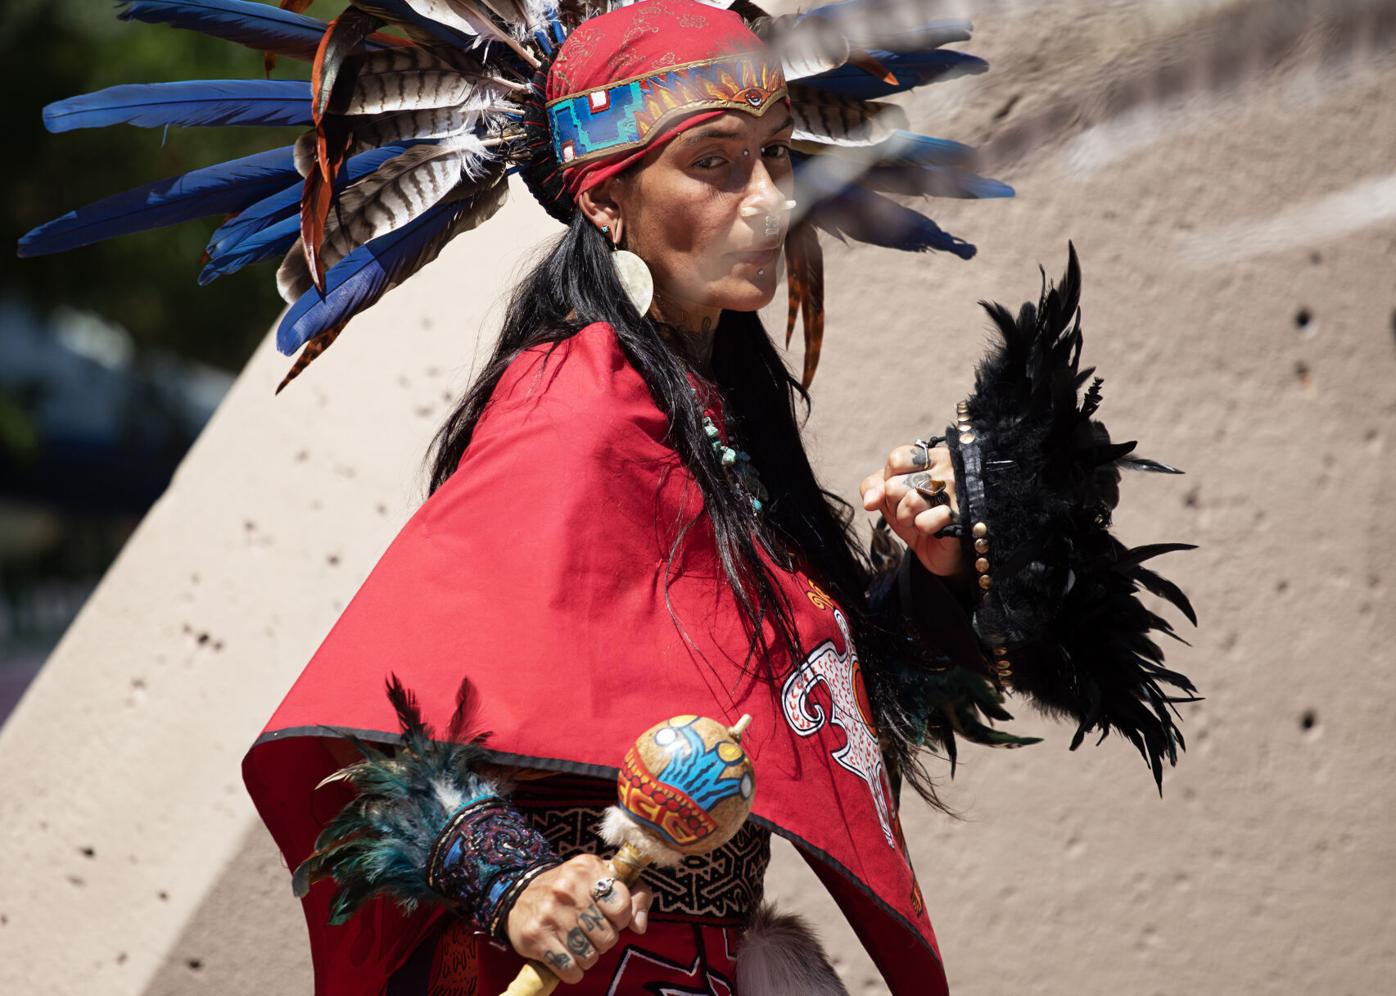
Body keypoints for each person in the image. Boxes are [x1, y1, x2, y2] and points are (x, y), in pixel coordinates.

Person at [22, 2, 1197, 993]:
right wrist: (513, 881)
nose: (770, 203)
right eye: (714, 164)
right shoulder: (572, 401)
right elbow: (373, 732)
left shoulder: (721, 406)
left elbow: (804, 727)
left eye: (777, 156)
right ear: (603, 200)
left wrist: (939, 573)